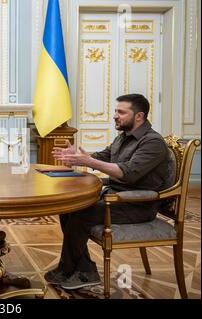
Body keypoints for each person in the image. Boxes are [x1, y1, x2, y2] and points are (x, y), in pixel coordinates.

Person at [45, 94, 171, 290]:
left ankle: (71, 268)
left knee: (80, 212)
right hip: (116, 198)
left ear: (139, 116)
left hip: (137, 205)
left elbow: (127, 174)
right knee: (68, 207)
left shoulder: (153, 143)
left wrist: (89, 162)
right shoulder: (123, 137)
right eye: (115, 111)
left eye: (121, 112)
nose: (115, 116)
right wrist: (80, 157)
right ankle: (83, 269)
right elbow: (104, 156)